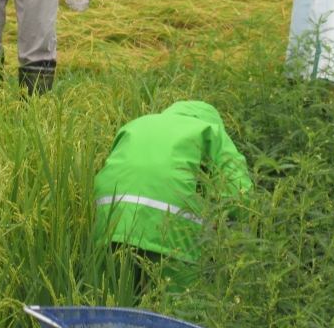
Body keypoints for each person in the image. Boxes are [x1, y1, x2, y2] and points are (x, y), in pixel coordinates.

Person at [92, 101, 252, 292]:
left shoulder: (136, 124)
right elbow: (239, 195)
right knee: (178, 302)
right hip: (169, 225)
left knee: (110, 298)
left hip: (112, 217)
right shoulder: (212, 131)